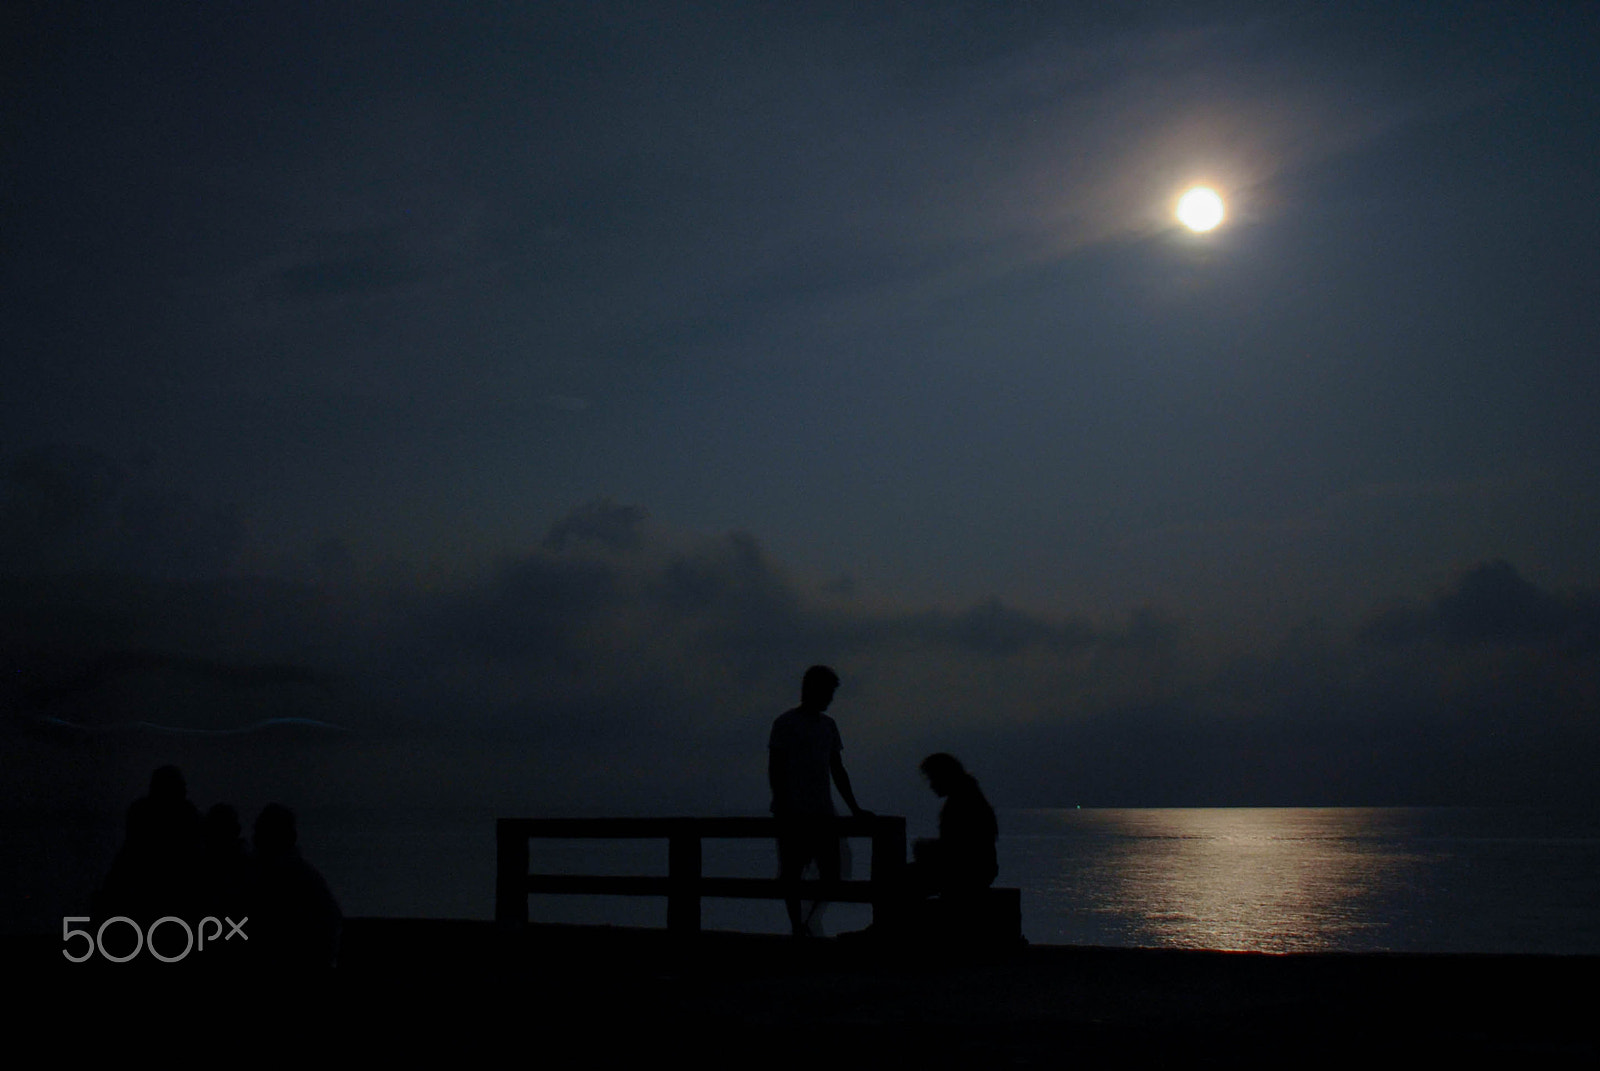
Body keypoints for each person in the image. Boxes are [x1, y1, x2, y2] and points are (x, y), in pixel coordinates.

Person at [768, 665, 871, 936]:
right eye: (827, 692)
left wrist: (854, 808)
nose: (830, 699)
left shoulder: (828, 726)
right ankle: (798, 926)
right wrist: (781, 802)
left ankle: (805, 923)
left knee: (830, 875)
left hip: (822, 812)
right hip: (794, 812)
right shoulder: (785, 724)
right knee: (793, 874)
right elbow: (776, 769)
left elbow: (837, 770)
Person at [911, 753, 998, 898]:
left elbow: (960, 849)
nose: (931, 785)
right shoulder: (969, 795)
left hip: (970, 873)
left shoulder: (961, 802)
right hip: (980, 870)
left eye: (933, 778)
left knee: (896, 882)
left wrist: (926, 849)